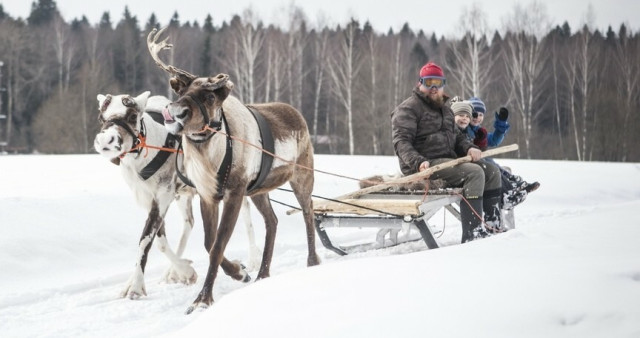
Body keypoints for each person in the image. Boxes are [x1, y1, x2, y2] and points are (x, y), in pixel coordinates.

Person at [391, 61, 503, 243]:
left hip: (446, 161)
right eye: (429, 83)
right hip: (423, 166)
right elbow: (401, 142)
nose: (434, 88)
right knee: (474, 173)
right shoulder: (408, 109)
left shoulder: (445, 109)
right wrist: (418, 162)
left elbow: (458, 137)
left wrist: (470, 148)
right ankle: (473, 235)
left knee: (491, 171)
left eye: (438, 83)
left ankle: (493, 225)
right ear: (420, 83)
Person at [454, 97, 540, 209]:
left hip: (479, 160)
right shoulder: (464, 129)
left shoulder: (479, 131)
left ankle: (513, 185)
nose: (477, 118)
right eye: (474, 114)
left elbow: (494, 140)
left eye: (481, 115)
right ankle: (510, 189)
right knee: (490, 165)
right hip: (470, 164)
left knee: (492, 164)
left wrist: (501, 125)